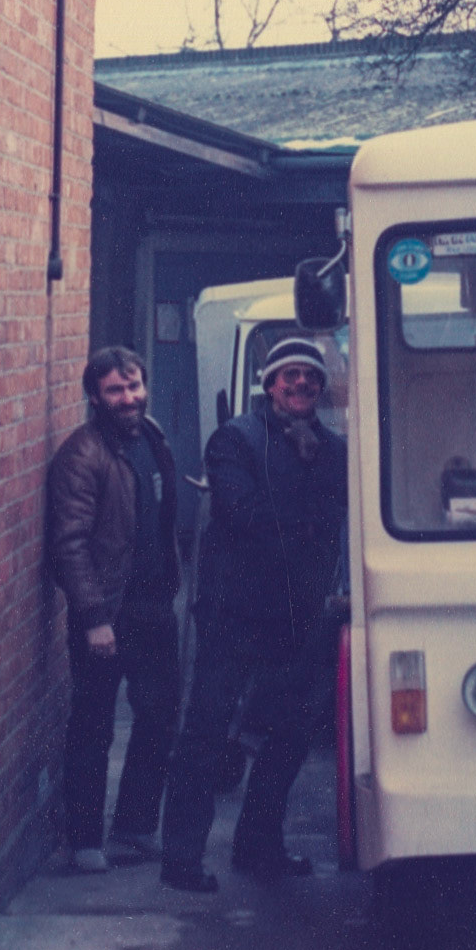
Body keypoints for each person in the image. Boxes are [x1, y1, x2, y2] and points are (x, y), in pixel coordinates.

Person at [160, 337, 347, 892]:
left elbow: (336, 517)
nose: (300, 386)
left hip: (297, 615)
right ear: (269, 385)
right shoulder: (235, 440)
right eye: (289, 377)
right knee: (206, 732)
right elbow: (242, 513)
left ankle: (259, 845)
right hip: (233, 612)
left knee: (289, 733)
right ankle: (181, 859)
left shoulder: (333, 448)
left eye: (310, 379)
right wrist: (306, 526)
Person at [48, 346, 182, 873]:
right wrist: (94, 617)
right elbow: (70, 542)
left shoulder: (151, 437)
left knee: (159, 717)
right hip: (107, 612)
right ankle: (85, 839)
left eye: (133, 387)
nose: (128, 398)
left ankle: (134, 824)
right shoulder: (82, 455)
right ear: (95, 397)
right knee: (94, 725)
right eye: (115, 391)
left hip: (152, 603)